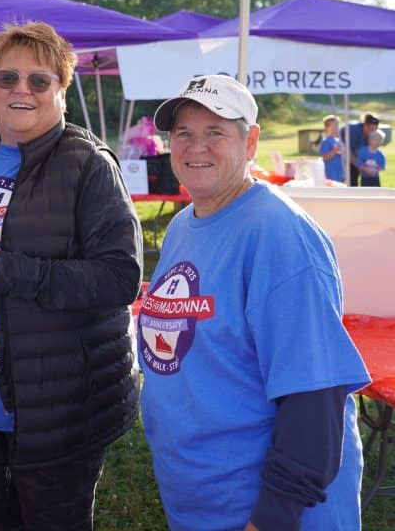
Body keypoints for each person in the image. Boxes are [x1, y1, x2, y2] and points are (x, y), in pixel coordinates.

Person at [0, 21, 142, 531]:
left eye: (39, 81)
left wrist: (8, 271)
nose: (21, 90)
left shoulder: (87, 164)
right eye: (8, 78)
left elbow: (119, 277)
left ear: (62, 91)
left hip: (56, 411)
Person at [138, 74, 371, 531]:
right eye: (183, 133)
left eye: (215, 133)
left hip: (268, 513)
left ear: (251, 142)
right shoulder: (184, 225)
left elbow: (314, 396)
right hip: (202, 501)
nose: (195, 146)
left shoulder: (279, 234)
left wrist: (272, 518)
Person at [341, 111, 380, 186]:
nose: (373, 132)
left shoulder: (372, 135)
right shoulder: (352, 131)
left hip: (356, 157)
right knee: (350, 180)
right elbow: (348, 153)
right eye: (371, 129)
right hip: (342, 156)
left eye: (375, 130)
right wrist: (363, 167)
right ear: (365, 125)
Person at [318, 114, 344, 183]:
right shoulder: (326, 141)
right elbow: (325, 157)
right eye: (335, 126)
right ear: (327, 128)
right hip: (330, 175)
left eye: (338, 126)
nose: (337, 128)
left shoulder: (338, 140)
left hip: (340, 174)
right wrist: (336, 149)